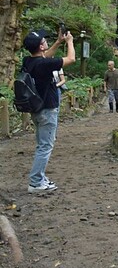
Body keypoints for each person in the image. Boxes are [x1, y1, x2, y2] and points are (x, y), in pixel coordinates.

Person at [21, 28, 76, 194]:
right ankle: (36, 182)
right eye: (44, 41)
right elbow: (71, 59)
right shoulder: (44, 64)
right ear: (41, 47)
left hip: (37, 109)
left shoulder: (28, 61)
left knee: (41, 145)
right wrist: (69, 41)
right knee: (45, 147)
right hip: (47, 110)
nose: (46, 42)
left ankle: (40, 178)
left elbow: (46, 56)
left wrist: (58, 42)